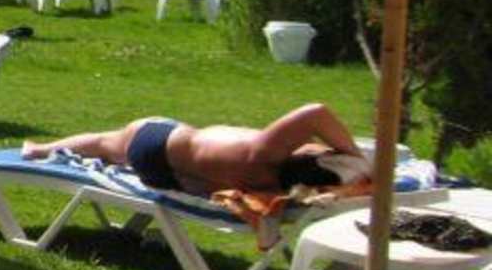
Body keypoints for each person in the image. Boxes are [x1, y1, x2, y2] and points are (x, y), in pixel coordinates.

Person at [22, 103, 369, 196]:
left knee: (105, 143)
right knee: (107, 145)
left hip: (158, 143)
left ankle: (39, 149)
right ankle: (42, 149)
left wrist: (353, 153)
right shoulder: (273, 182)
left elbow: (315, 113)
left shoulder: (262, 153)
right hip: (174, 173)